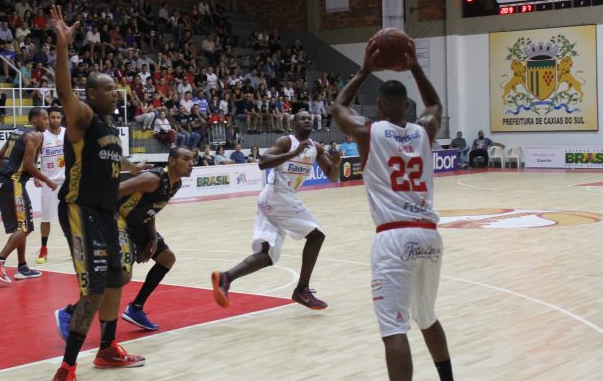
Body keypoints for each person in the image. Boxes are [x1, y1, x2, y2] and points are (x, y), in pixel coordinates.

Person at [331, 40, 454, 381]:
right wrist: (415, 67)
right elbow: (435, 104)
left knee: (393, 328)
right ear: (408, 106)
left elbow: (338, 106)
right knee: (426, 316)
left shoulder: (367, 132)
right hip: (429, 236)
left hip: (393, 236)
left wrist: (364, 71)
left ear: (380, 105)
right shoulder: (424, 130)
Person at [49, 6, 148, 380]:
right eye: (108, 88)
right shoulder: (84, 118)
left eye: (115, 88)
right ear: (91, 93)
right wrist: (62, 47)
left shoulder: (108, 128)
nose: (115, 93)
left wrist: (134, 169)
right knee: (92, 288)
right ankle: (68, 366)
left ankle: (107, 349)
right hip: (81, 209)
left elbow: (112, 160)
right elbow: (64, 91)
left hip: (107, 213)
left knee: (116, 280)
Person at [211, 111, 341, 310]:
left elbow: (332, 177)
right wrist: (293, 154)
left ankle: (225, 278)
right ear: (294, 124)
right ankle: (302, 290)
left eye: (310, 118)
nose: (307, 120)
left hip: (274, 200)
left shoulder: (316, 148)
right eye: (302, 118)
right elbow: (262, 162)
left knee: (268, 255)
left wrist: (337, 164)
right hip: (278, 196)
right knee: (317, 236)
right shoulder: (286, 142)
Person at [116, 147, 195, 331]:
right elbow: (113, 192)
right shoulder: (153, 179)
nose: (191, 163)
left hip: (139, 225)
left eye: (192, 159)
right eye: (186, 159)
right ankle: (73, 311)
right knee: (122, 275)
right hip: (119, 222)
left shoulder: (175, 184)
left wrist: (152, 238)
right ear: (172, 161)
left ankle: (136, 308)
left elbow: (152, 210)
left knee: (167, 258)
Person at [0, 107, 57, 284]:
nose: (47, 122)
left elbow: (0, 155)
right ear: (34, 119)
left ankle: (22, 267)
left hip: (2, 182)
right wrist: (47, 180)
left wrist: (1, 176)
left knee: (20, 227)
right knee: (25, 227)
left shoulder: (17, 131)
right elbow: (29, 166)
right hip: (14, 183)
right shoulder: (35, 135)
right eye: (45, 118)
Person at [35, 106, 65, 264]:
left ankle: (76, 247)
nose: (55, 120)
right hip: (48, 182)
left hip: (66, 181)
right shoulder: (41, 135)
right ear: (48, 119)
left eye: (58, 117)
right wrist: (36, 175)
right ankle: (43, 248)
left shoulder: (67, 133)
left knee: (71, 216)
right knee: (46, 218)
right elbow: (33, 157)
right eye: (52, 117)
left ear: (61, 118)